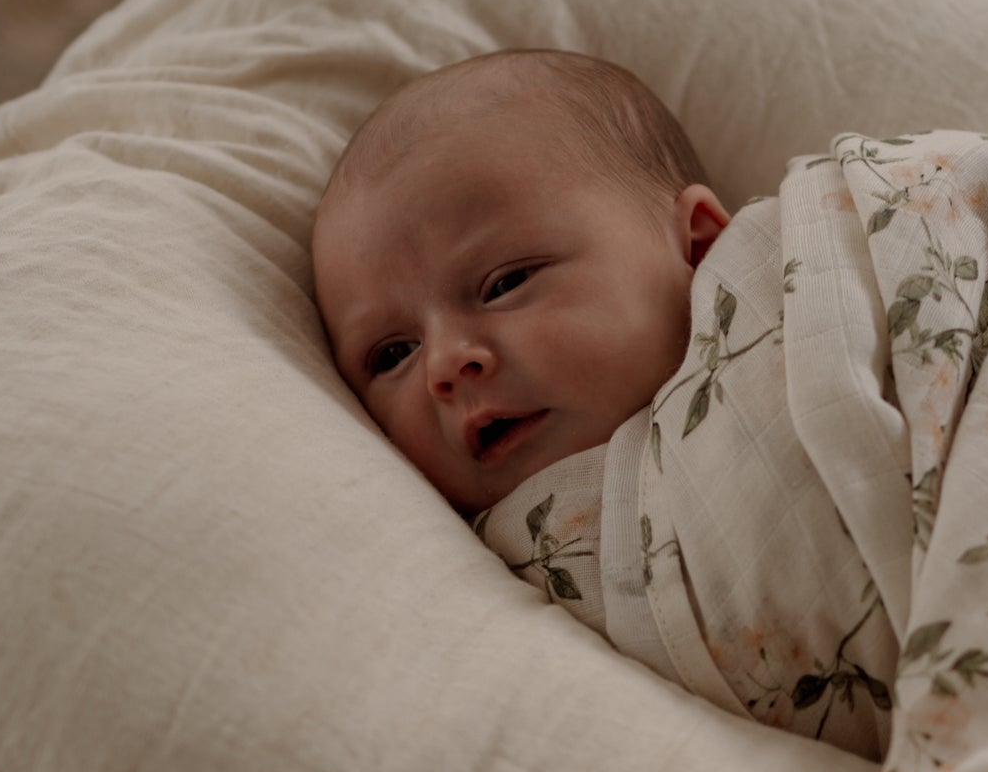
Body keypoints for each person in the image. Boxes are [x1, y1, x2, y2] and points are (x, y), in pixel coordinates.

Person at [311, 47, 730, 515]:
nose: (445, 364)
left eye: (506, 284)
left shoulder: (796, 299)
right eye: (394, 354)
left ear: (698, 246)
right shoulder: (469, 560)